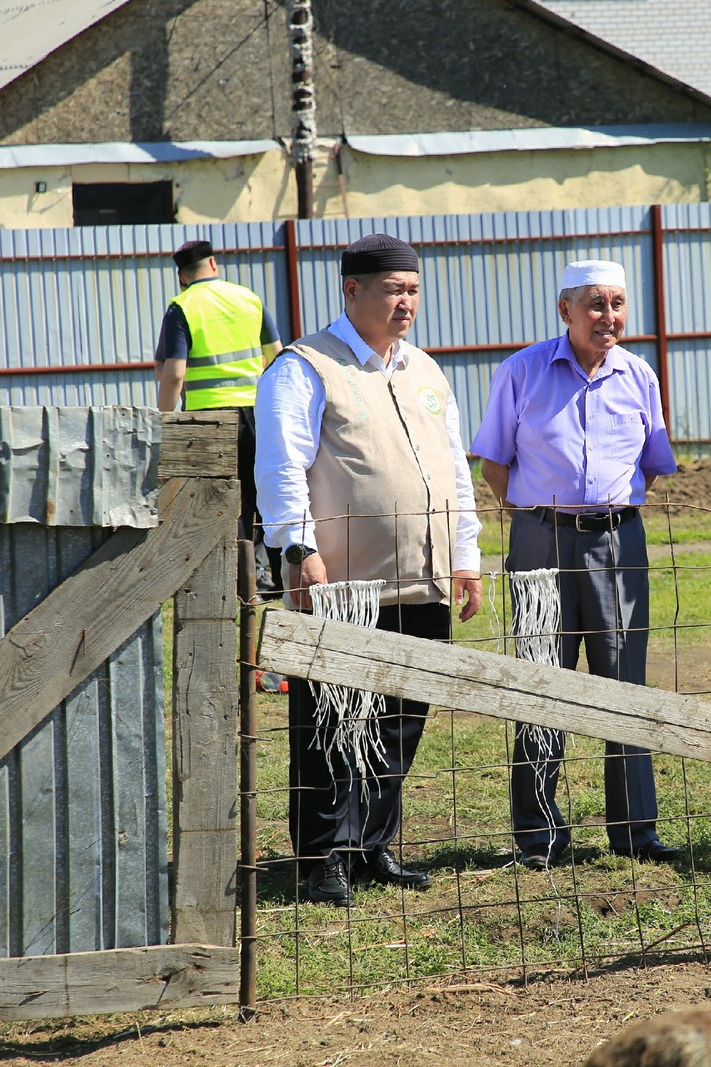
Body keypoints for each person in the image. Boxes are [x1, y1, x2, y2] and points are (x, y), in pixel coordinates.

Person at [254, 233, 483, 905]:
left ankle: (372, 845)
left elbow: (455, 470)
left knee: (400, 721)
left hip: (424, 579)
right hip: (343, 585)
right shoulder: (306, 367)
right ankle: (323, 856)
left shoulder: (425, 371)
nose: (405, 302)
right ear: (352, 290)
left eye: (413, 290)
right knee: (331, 720)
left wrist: (465, 556)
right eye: (392, 290)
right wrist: (298, 550)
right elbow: (281, 466)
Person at [472, 259, 682, 869]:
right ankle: (538, 834)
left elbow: (651, 465)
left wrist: (605, 514)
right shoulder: (522, 371)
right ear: (566, 310)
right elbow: (493, 464)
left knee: (625, 684)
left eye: (617, 304)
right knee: (541, 682)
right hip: (542, 540)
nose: (608, 316)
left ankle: (635, 831)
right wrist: (539, 520)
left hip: (618, 543)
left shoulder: (639, 375)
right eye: (595, 304)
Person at [154, 239, 283, 590]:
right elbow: (277, 356)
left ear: (181, 277)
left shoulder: (182, 306)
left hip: (207, 419)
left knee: (221, 501)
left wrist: (163, 420)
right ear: (213, 264)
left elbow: (174, 374)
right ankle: (281, 580)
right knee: (265, 494)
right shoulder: (249, 298)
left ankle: (239, 585)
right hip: (257, 413)